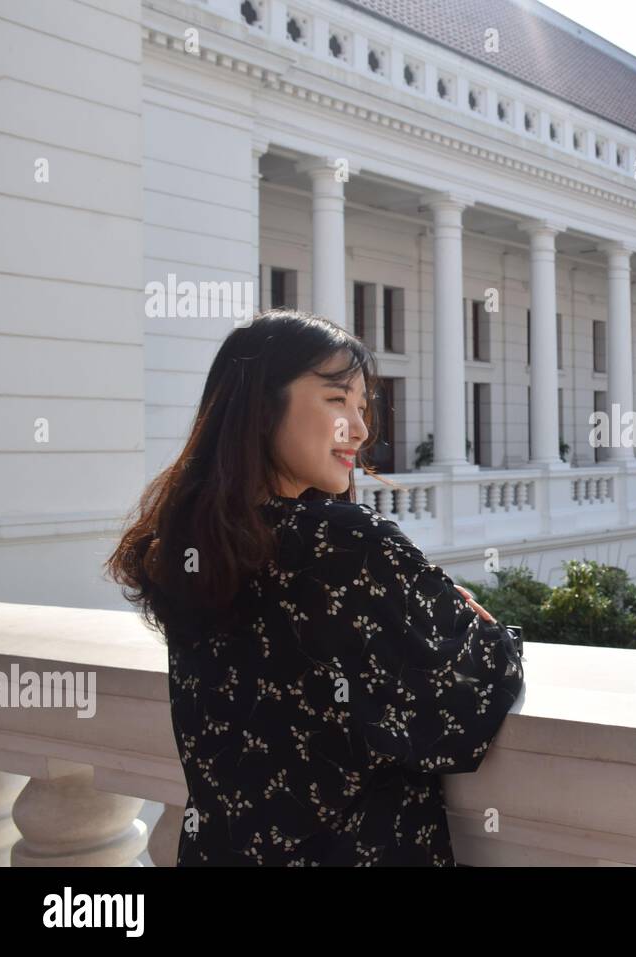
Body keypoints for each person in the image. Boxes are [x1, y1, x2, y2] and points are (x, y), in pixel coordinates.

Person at [105, 308, 524, 865]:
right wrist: (485, 630)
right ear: (260, 408)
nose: (361, 428)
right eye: (336, 400)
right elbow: (461, 713)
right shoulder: (343, 542)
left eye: (361, 405)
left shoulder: (193, 544)